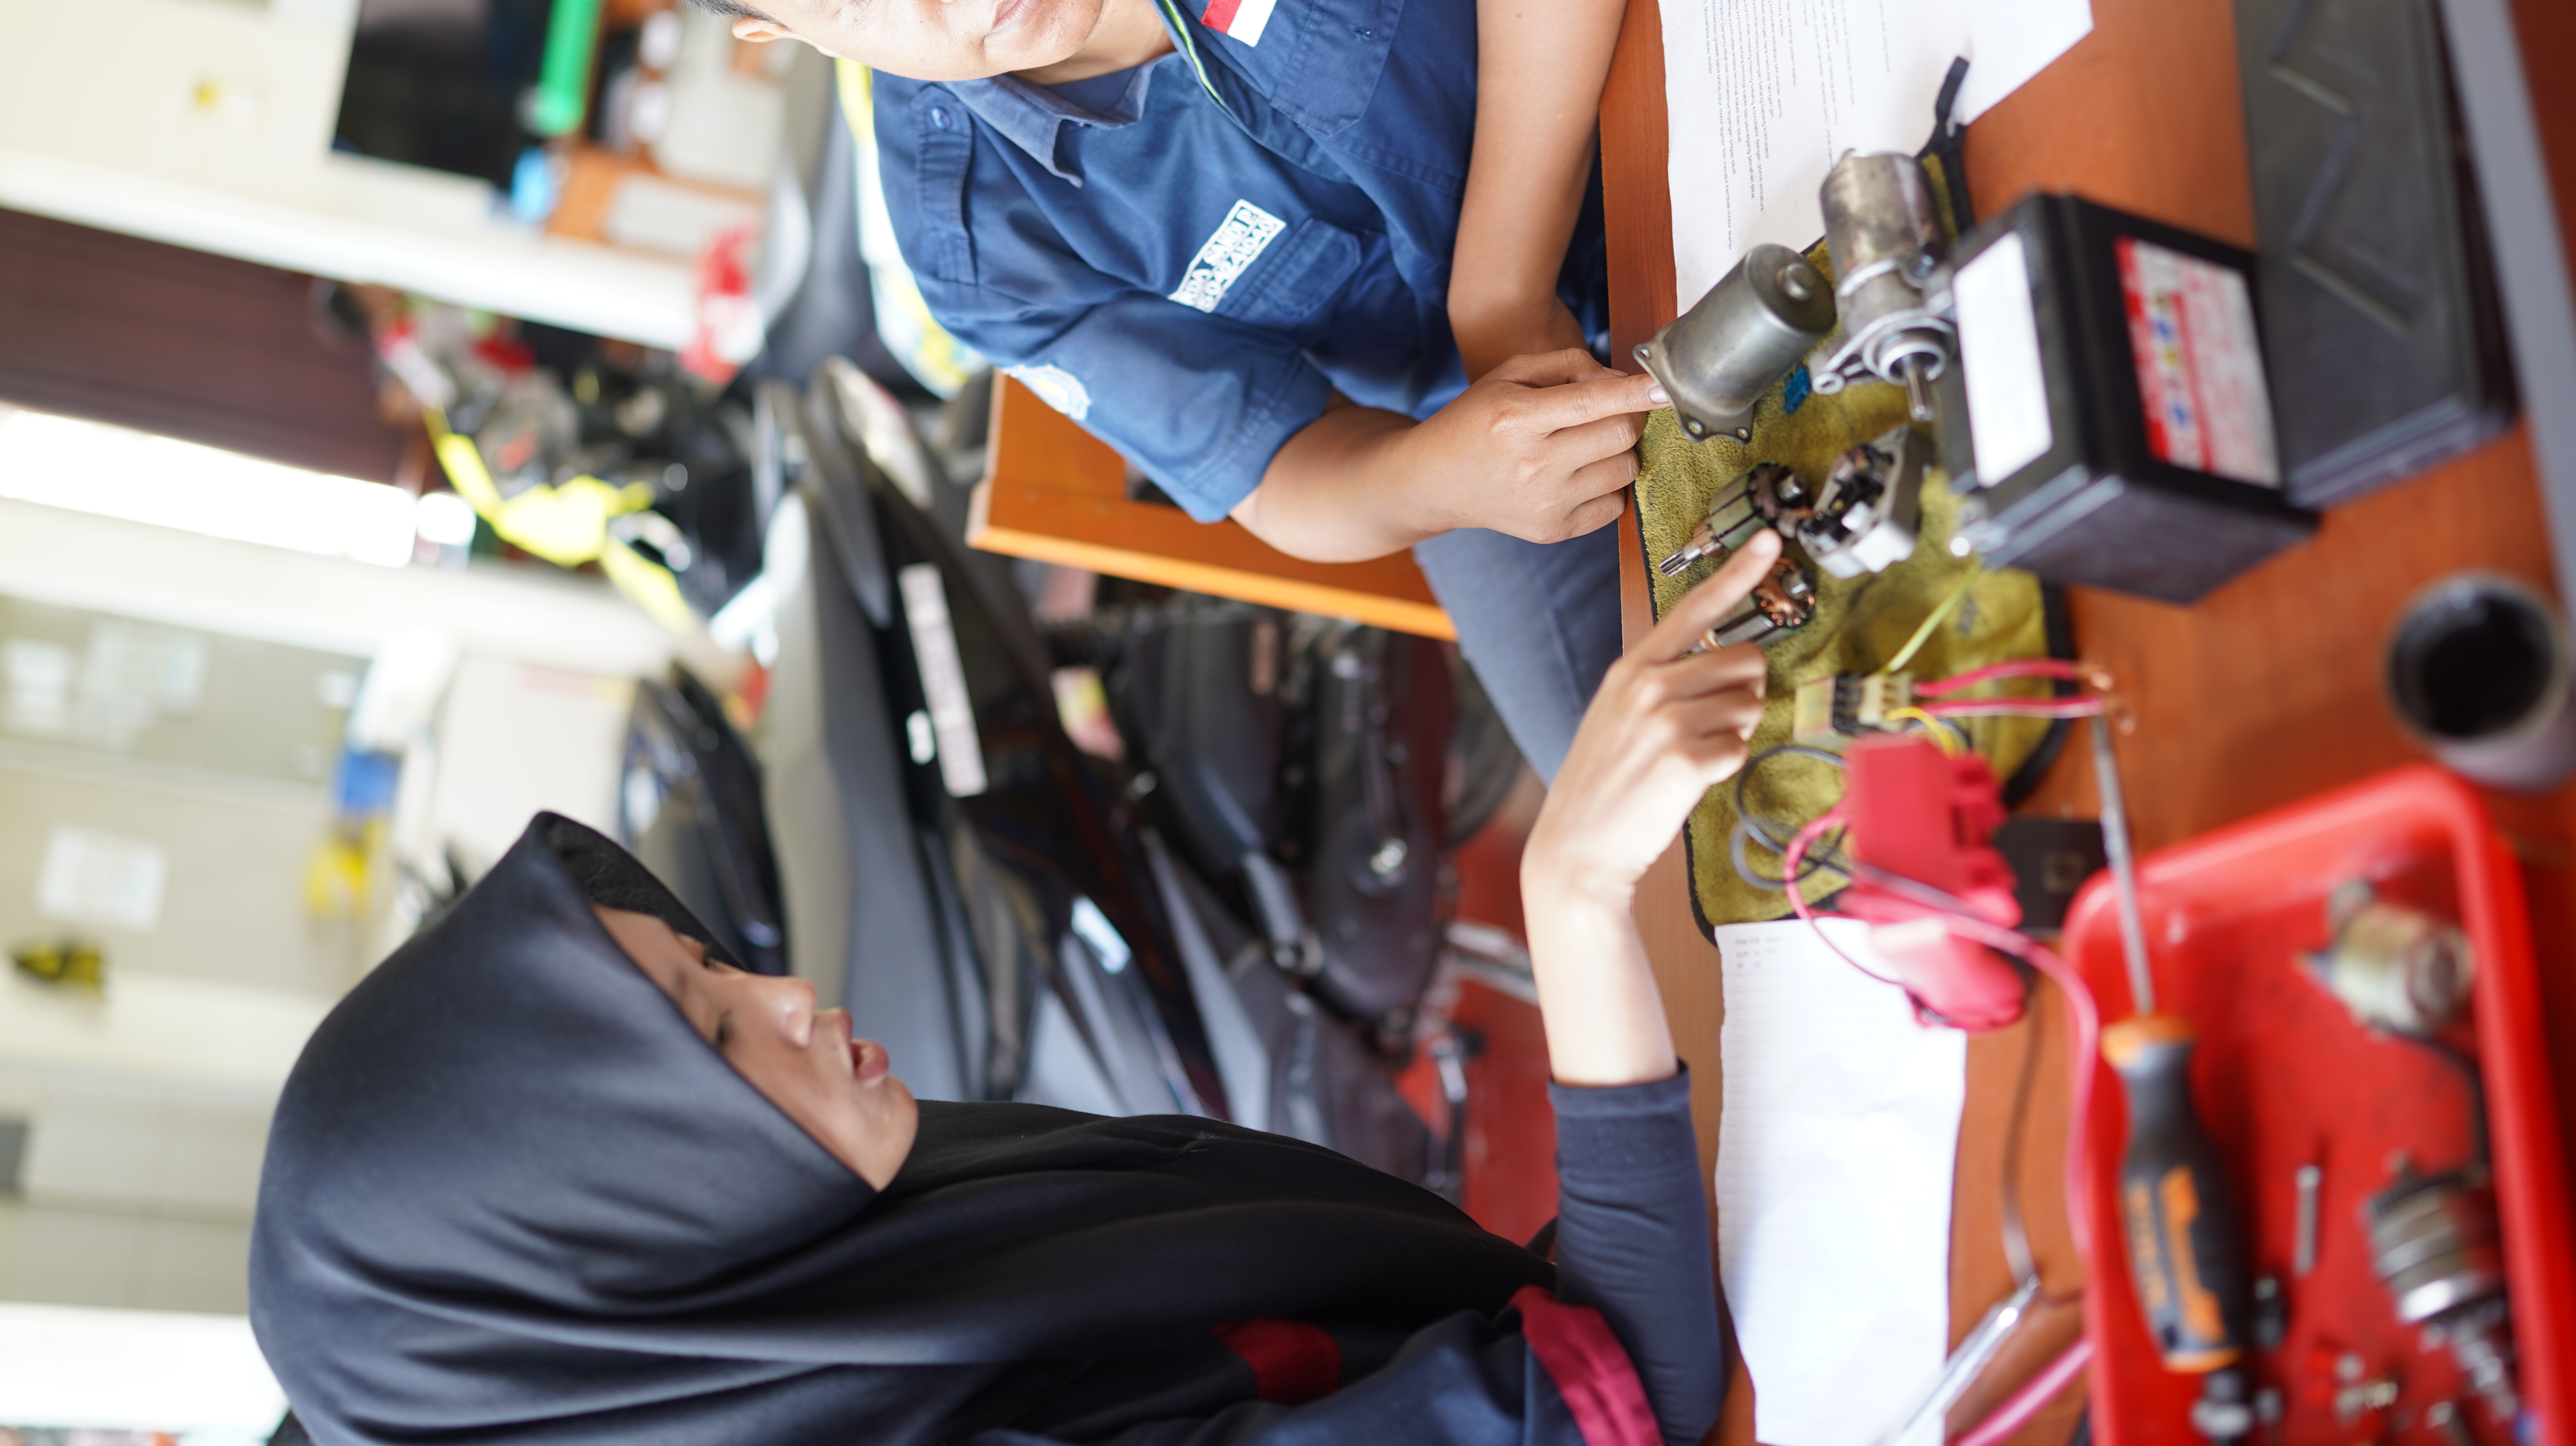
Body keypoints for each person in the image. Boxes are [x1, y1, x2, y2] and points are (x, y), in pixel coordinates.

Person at [247, 533, 1783, 1446]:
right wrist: (1571, 903)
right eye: (714, 1037)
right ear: (599, 1242)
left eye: (712, 966)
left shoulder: (899, 1280)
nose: (785, 993)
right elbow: (1612, 1399)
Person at [537, 0, 1665, 779]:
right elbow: (1279, 473)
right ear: (795, 39)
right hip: (1473, 407)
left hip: (1635, 74)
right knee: (1667, 817)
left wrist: (1499, 291)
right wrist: (1444, 474)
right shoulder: (973, 249)